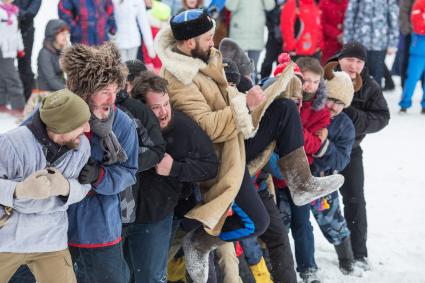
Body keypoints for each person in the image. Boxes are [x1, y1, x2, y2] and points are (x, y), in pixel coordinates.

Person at [155, 8, 344, 281]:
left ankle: (301, 182)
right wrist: (246, 103)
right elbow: (208, 128)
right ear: (188, 42)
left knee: (284, 108)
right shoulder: (178, 78)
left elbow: (227, 96)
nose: (213, 42)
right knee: (256, 223)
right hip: (219, 156)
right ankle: (198, 242)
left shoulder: (204, 56)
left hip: (237, 135)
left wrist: (257, 90)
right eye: (207, 38)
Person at [123, 70, 218, 283]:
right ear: (141, 108)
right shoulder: (127, 124)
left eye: (166, 104)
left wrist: (175, 168)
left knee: (151, 277)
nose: (164, 112)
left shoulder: (183, 128)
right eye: (156, 108)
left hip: (158, 215)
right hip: (123, 215)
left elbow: (210, 166)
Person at [60, 42, 139, 283]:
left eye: (115, 89)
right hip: (56, 222)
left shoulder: (122, 124)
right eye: (105, 90)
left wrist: (100, 176)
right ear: (85, 90)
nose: (112, 98)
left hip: (99, 225)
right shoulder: (56, 112)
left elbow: (129, 171)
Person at [0, 89, 91, 283]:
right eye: (81, 123)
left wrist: (66, 188)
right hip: (7, 238)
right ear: (61, 126)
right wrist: (20, 190)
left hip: (51, 238)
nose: (88, 128)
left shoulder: (82, 147)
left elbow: (84, 187)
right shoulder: (11, 143)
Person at [328, 41, 390, 271]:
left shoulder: (369, 86)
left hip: (350, 150)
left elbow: (382, 117)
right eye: (350, 60)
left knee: (355, 199)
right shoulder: (326, 75)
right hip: (317, 147)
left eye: (359, 61)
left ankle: (358, 253)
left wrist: (353, 116)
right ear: (340, 59)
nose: (354, 65)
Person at [310, 62, 361, 277]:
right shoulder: (309, 112)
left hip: (324, 182)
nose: (333, 107)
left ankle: (346, 259)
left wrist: (324, 147)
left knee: (332, 222)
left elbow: (341, 161)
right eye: (331, 99)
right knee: (286, 221)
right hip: (295, 178)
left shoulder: (345, 125)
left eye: (340, 103)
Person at [343, 0, 399, 88]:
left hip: (380, 43)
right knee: (358, 75)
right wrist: (347, 40)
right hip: (360, 42)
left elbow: (394, 18)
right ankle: (358, 99)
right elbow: (350, 16)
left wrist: (392, 43)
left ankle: (375, 100)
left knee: (377, 77)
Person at [225, 0, 275, 80]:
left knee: (252, 70)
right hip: (239, 32)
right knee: (235, 68)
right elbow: (230, 6)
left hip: (256, 32)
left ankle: (251, 88)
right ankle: (234, 90)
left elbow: (270, 6)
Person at [0, 0, 26, 117]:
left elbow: (17, 32)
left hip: (9, 50)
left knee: (8, 77)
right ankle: (18, 107)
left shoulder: (14, 11)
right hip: (1, 48)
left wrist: (20, 48)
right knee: (11, 78)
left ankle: (12, 105)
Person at [399, 0, 425, 114]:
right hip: (418, 49)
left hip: (419, 46)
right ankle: (404, 104)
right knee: (412, 78)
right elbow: (418, 25)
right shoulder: (419, 3)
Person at [13, 0, 41, 101]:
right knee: (5, 64)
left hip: (26, 31)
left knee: (25, 64)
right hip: (6, 29)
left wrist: (17, 12)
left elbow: (31, 12)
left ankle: (26, 99)